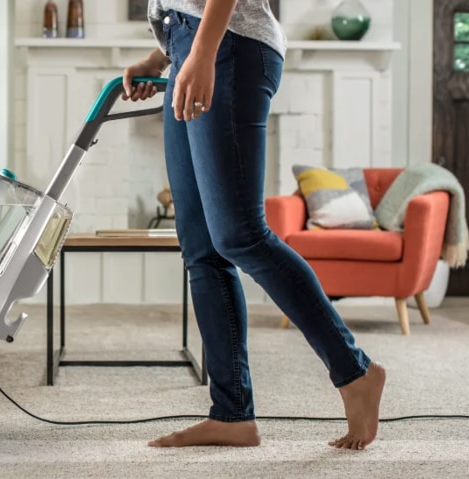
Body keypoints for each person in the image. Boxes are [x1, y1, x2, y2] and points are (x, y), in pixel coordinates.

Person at [120, 0, 386, 451]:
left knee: (240, 235)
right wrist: (162, 53)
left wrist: (204, 50)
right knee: (201, 248)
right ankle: (231, 414)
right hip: (188, 40)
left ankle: (355, 371)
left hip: (228, 42)